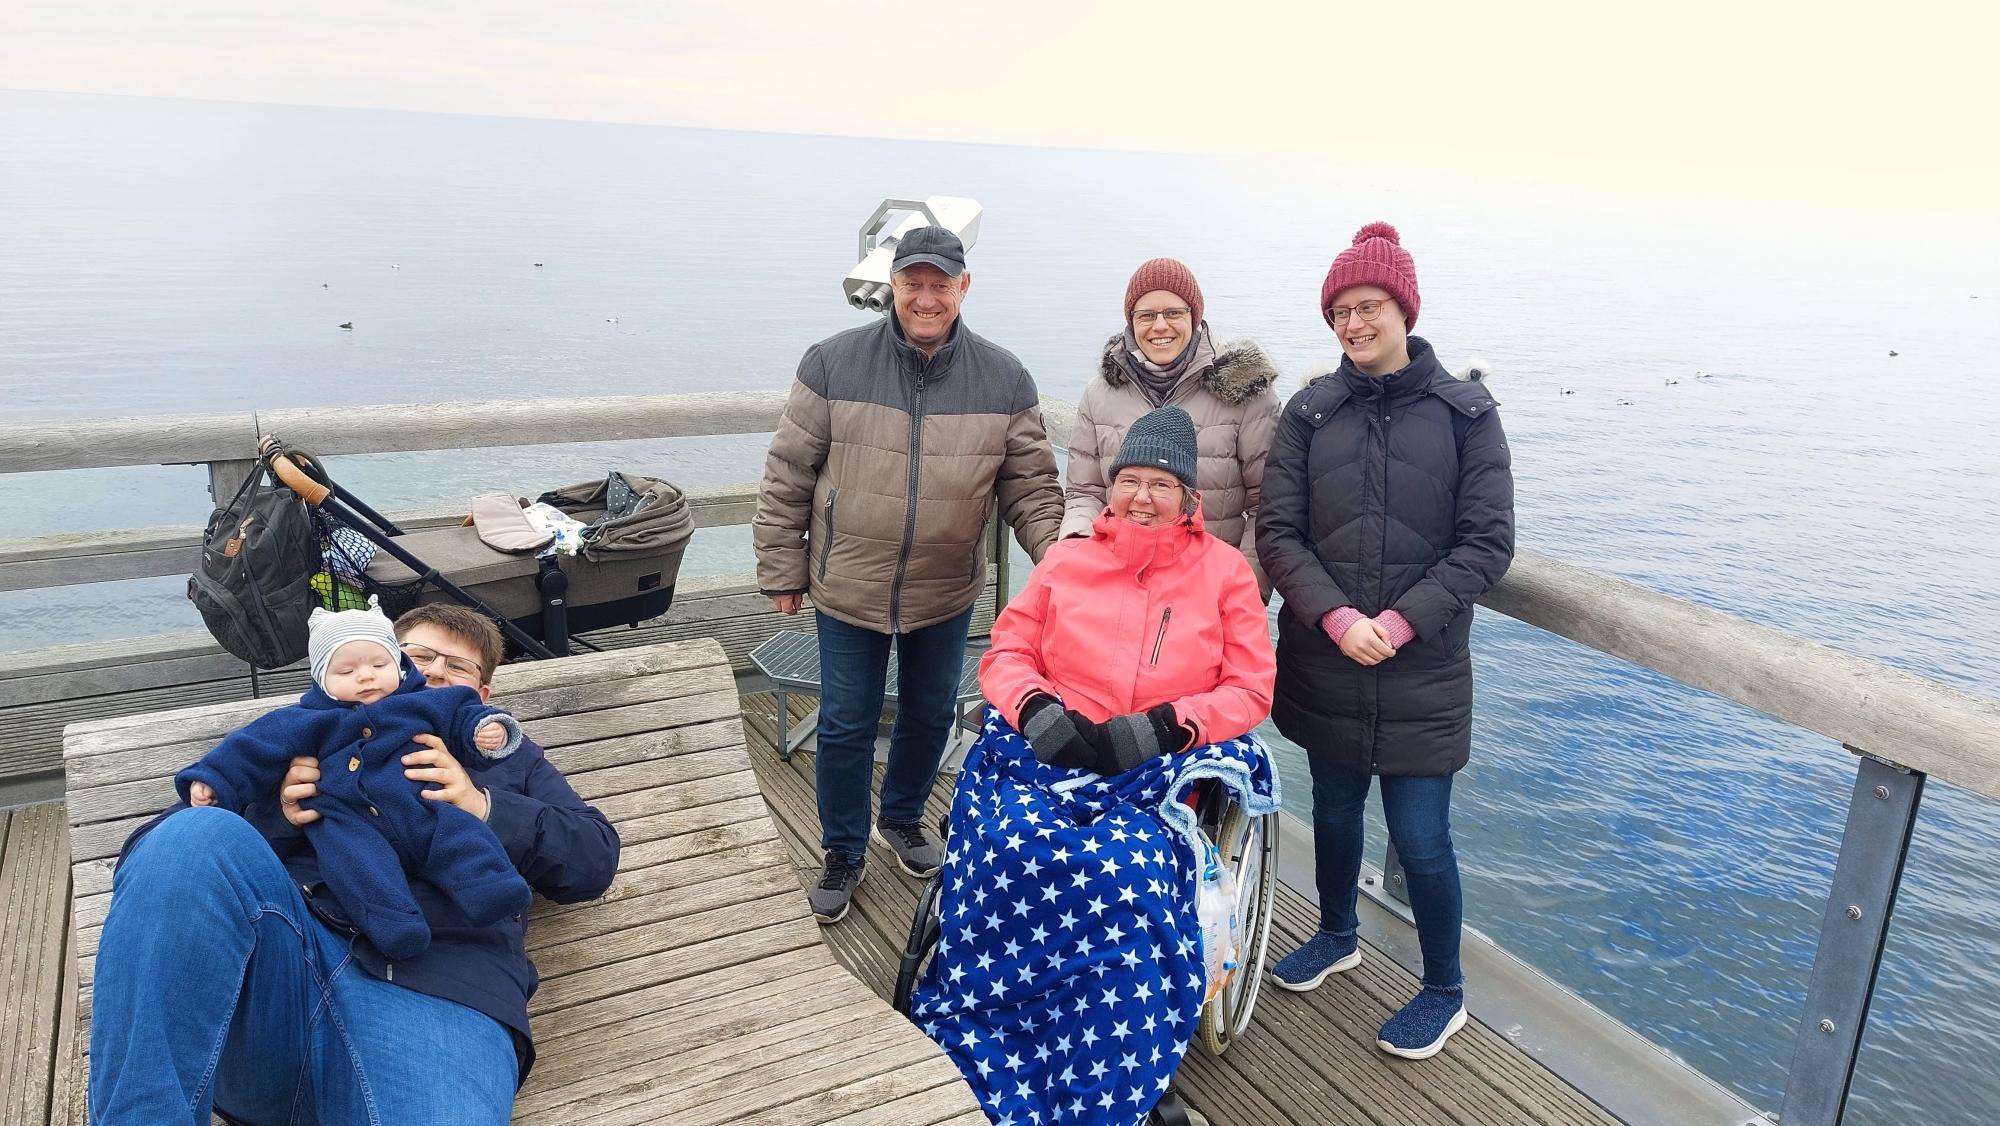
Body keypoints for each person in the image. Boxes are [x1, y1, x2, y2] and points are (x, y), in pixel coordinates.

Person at [89, 602, 620, 1125]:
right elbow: (159, 859)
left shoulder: (510, 759)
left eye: (458, 666)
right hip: (279, 978)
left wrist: (481, 805)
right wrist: (276, 815)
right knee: (194, 835)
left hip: (444, 994)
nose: (436, 670)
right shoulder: (301, 735)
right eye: (419, 655)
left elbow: (594, 859)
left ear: (482, 695)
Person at [911, 407, 1278, 1126]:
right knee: (1009, 847)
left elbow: (1249, 690)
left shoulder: (1225, 573)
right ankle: (999, 1019)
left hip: (1157, 768)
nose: (1142, 496)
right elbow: (1008, 653)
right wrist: (1036, 710)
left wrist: (1167, 725)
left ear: (1189, 496)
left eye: (1161, 484)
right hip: (1053, 750)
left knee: (1123, 879)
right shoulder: (1067, 560)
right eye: (1130, 480)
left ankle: (1105, 1061)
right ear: (1110, 487)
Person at [752, 225, 1064, 922]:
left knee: (929, 712)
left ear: (964, 287)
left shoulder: (1005, 378)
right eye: (912, 283)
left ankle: (900, 819)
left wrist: (1061, 565)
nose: (926, 298)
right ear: (891, 284)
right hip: (848, 582)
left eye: (940, 284)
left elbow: (1032, 488)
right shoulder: (831, 362)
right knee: (845, 721)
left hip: (946, 586)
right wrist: (781, 567)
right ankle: (842, 850)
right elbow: (787, 473)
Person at [1257, 222, 1514, 1060]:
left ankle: (1444, 989)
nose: (1354, 323)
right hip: (1327, 657)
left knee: (1421, 837)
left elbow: (1486, 544)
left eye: (1369, 306)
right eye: (1340, 311)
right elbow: (1279, 533)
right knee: (1333, 811)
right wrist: (1337, 619)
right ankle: (1337, 935)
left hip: (1422, 665)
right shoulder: (1309, 413)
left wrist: (1399, 623)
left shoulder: (1467, 415)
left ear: (1405, 309)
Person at [177, 603, 529, 961]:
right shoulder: (302, 721)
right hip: (348, 820)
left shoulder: (427, 703)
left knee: (459, 835)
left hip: (423, 805)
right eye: (346, 670)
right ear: (322, 679)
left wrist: (489, 733)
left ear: (396, 665)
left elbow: (463, 716)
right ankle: (393, 924)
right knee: (355, 865)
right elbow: (250, 750)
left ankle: (491, 888)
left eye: (379, 665)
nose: (366, 677)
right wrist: (215, 781)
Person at [1063, 257, 1281, 598]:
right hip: (1117, 588)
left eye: (1173, 313)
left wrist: (1242, 593)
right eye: (1146, 315)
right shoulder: (1101, 393)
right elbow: (1084, 493)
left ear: (1194, 316)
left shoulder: (1244, 393)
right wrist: (1077, 557)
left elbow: (1266, 506)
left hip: (1210, 591)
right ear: (1131, 321)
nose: (1160, 326)